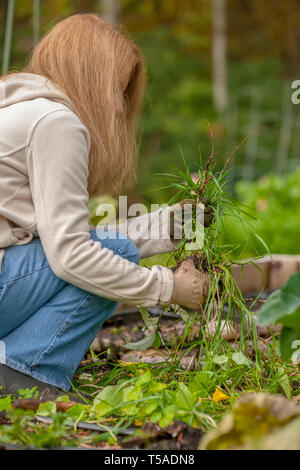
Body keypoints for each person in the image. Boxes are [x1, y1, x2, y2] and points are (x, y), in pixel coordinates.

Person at [0, 14, 205, 400]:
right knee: (113, 254)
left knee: (109, 248)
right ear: (91, 77)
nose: (118, 107)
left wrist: (164, 228)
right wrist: (169, 288)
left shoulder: (22, 110)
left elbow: (58, 241)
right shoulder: (55, 122)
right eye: (117, 89)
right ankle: (25, 369)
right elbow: (72, 256)